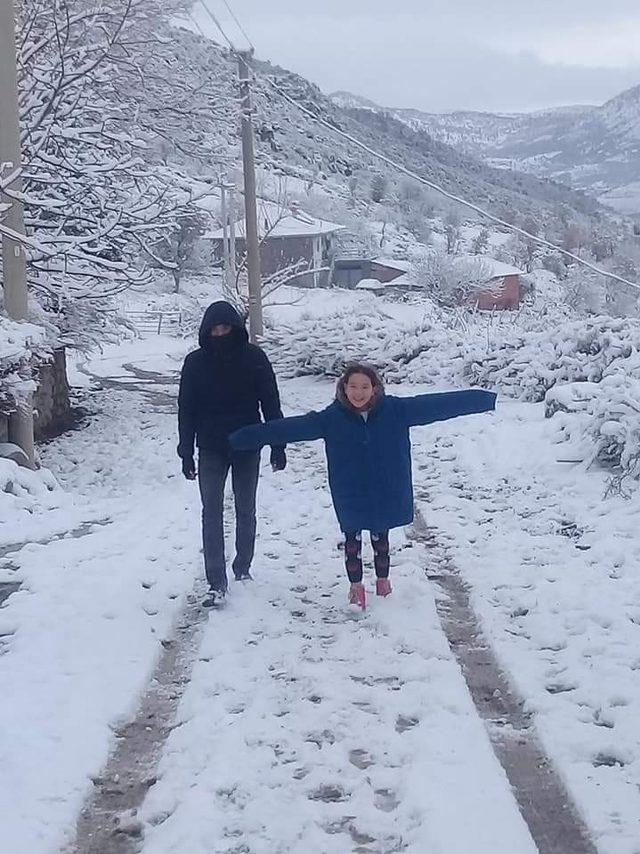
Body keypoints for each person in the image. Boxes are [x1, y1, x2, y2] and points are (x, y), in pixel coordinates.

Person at [230, 363, 496, 609]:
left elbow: (438, 405)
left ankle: (383, 582)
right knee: (352, 540)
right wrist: (241, 439)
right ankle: (356, 588)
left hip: (386, 486)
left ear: (375, 389)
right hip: (350, 489)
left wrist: (483, 399)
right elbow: (290, 428)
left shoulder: (396, 410)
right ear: (343, 388)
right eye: (353, 386)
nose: (359, 393)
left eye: (365, 387)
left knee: (381, 537)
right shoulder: (332, 418)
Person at [177, 301, 286, 607]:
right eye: (214, 329)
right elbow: (186, 409)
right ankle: (216, 580)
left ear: (236, 329)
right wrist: (186, 451)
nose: (220, 333)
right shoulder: (195, 363)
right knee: (210, 511)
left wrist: (278, 443)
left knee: (245, 508)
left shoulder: (254, 358)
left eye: (225, 328)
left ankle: (243, 567)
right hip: (210, 446)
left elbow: (270, 401)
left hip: (247, 443)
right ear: (206, 331)